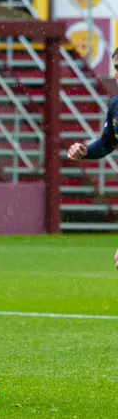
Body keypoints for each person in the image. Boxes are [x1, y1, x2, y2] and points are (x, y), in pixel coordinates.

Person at [67, 48, 118, 272]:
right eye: (116, 68)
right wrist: (85, 151)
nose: (117, 74)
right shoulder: (116, 105)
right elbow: (108, 142)